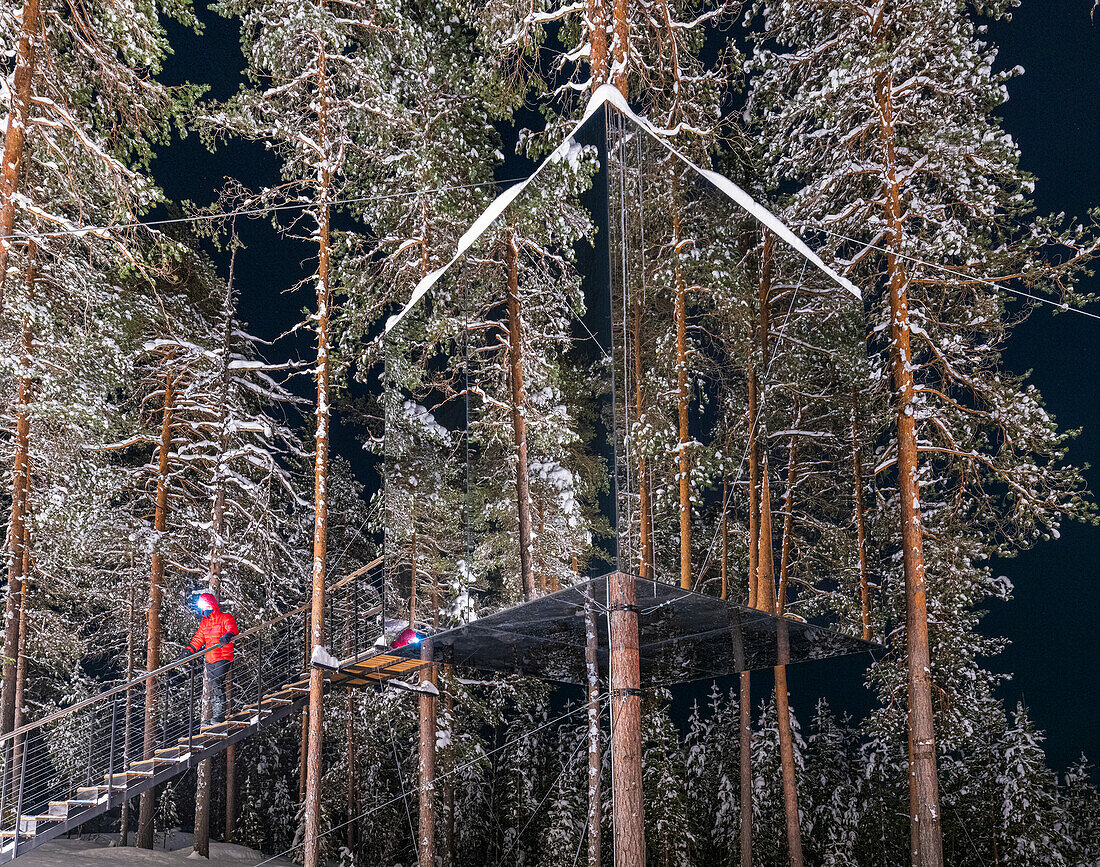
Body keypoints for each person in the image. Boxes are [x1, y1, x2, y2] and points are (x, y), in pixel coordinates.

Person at [180, 592, 239, 724]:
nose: (205, 609)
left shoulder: (225, 617)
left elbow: (233, 628)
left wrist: (227, 636)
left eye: (207, 606)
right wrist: (188, 651)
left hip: (223, 656)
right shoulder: (204, 623)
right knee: (213, 686)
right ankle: (216, 715)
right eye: (203, 607)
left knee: (217, 682)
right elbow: (198, 639)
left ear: (212, 605)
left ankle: (219, 715)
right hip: (210, 659)